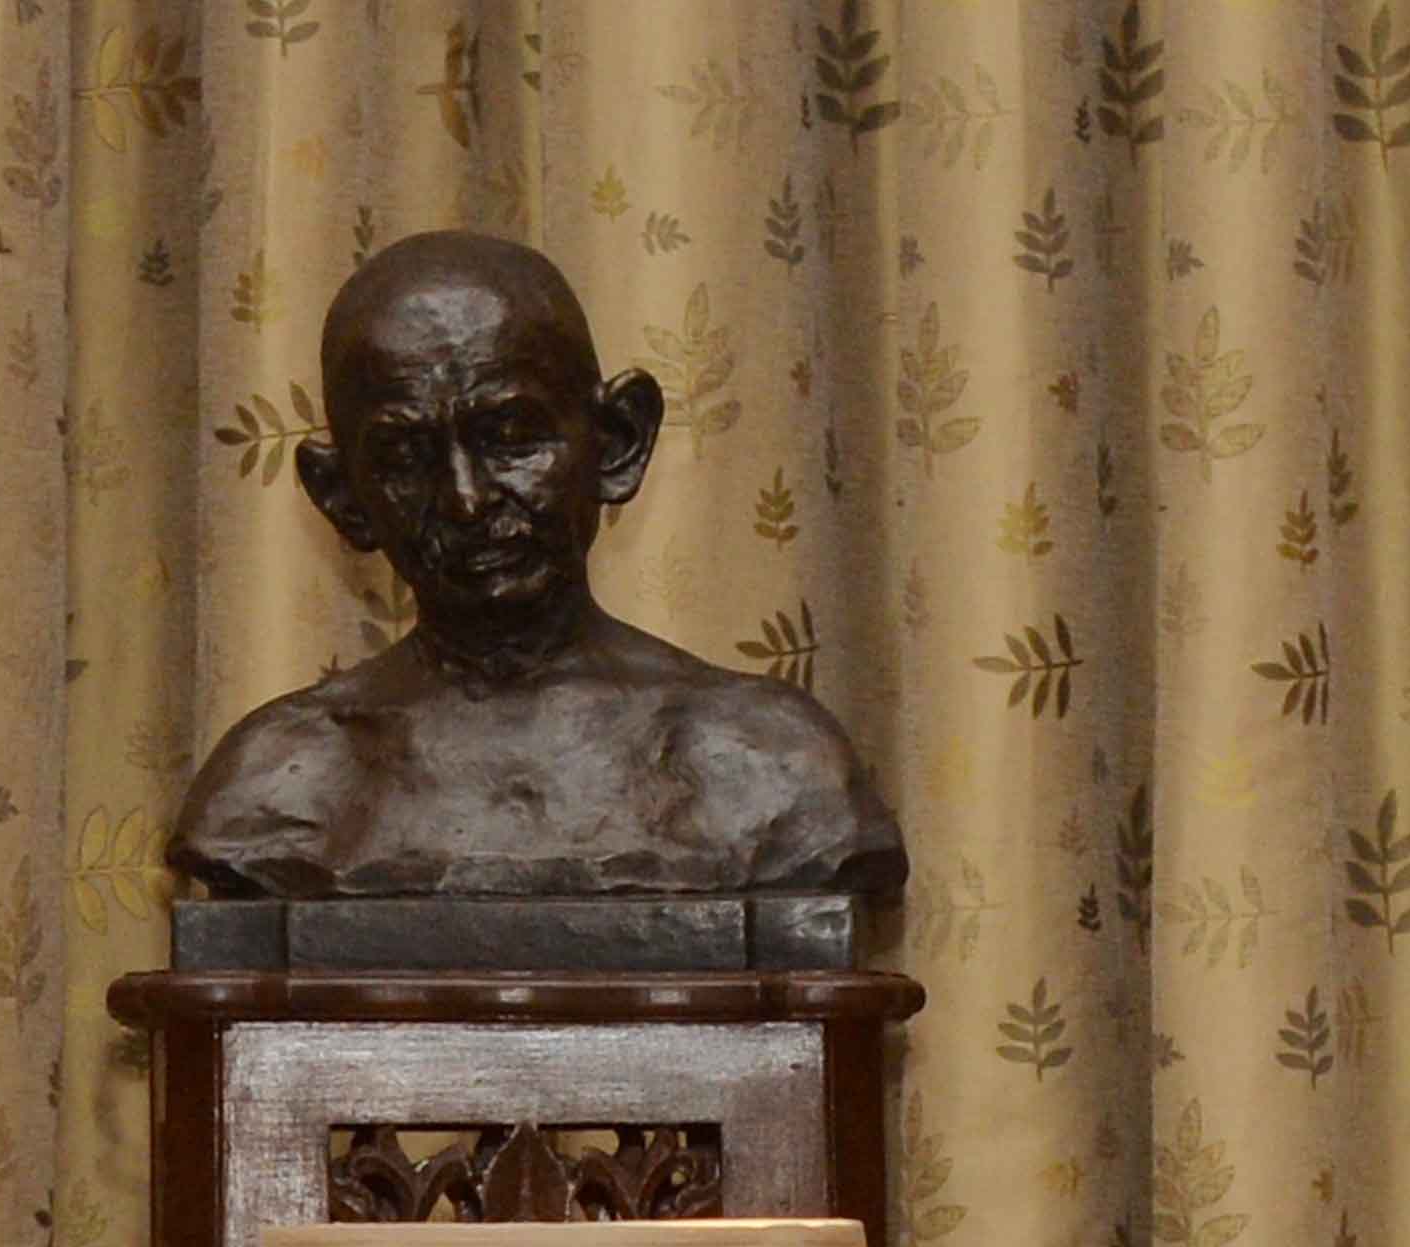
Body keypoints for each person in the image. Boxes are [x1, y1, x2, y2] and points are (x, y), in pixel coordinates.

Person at [166, 230, 902, 909]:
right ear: (342, 496)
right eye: (405, 456)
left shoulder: (771, 766)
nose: (466, 499)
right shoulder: (275, 787)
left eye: (511, 435)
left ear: (617, 442)